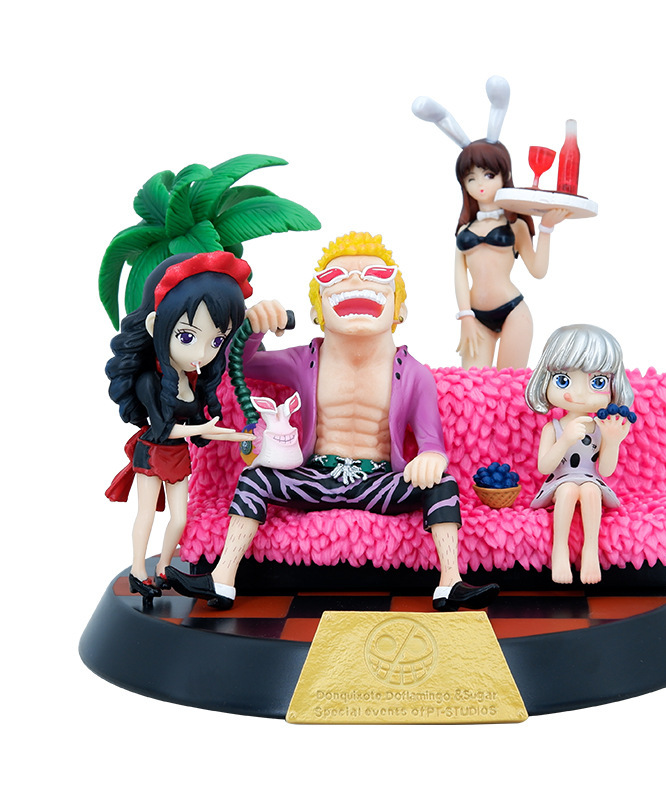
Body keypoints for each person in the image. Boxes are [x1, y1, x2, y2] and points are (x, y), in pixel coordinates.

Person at [167, 232, 499, 611]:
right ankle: (222, 579)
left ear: (400, 309)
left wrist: (431, 460)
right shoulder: (304, 360)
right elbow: (238, 362)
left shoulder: (414, 374)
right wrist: (254, 326)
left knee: (444, 484)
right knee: (254, 478)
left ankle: (450, 581)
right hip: (315, 477)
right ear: (317, 312)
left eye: (376, 274)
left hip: (379, 482)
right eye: (334, 277)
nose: (355, 281)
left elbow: (432, 442)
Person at [105, 252, 254, 603]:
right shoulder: (149, 381)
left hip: (177, 456)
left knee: (180, 519)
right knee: (146, 514)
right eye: (188, 337)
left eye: (216, 341)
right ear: (156, 326)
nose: (202, 353)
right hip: (153, 452)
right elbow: (164, 429)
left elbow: (200, 428)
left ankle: (164, 567)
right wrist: (203, 428)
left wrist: (240, 436)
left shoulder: (193, 381)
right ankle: (138, 570)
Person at [413, 76, 569, 369]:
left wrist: (546, 228)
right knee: (472, 386)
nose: (480, 184)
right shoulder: (464, 230)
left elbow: (538, 271)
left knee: (509, 386)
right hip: (475, 317)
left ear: (504, 175)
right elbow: (459, 276)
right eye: (470, 178)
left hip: (513, 312)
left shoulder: (515, 225)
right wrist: (465, 316)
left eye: (488, 175)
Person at [525, 324, 635, 584]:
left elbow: (605, 471)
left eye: (597, 382)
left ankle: (590, 551)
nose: (579, 394)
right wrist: (564, 440)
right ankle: (559, 551)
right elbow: (544, 467)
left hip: (591, 479)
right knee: (567, 491)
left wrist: (612, 442)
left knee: (591, 491)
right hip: (560, 481)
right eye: (564, 380)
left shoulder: (600, 427)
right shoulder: (553, 428)